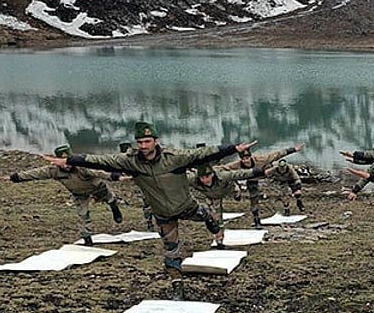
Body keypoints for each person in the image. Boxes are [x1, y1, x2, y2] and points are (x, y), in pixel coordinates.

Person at [44, 121, 256, 300]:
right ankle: (177, 285)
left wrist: (233, 149)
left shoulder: (174, 158)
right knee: (171, 249)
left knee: (203, 215)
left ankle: (209, 219)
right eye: (140, 142)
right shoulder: (131, 161)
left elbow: (203, 154)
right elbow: (101, 161)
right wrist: (70, 160)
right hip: (163, 214)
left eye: (147, 141)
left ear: (155, 141)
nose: (143, 146)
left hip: (186, 205)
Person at [5, 144, 123, 244]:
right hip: (79, 193)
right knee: (83, 215)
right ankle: (87, 239)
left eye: (68, 162)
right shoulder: (53, 170)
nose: (66, 166)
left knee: (111, 199)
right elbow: (36, 173)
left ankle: (114, 208)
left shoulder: (82, 166)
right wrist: (15, 177)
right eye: (63, 163)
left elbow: (100, 172)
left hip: (97, 188)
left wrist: (115, 176)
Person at [220, 142, 305, 227]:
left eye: (247, 158)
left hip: (266, 173)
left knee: (286, 182)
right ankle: (257, 219)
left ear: (250, 157)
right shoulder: (237, 165)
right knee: (254, 198)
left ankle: (295, 200)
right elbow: (224, 168)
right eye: (243, 159)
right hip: (252, 179)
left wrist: (293, 150)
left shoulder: (261, 160)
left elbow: (276, 155)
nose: (245, 161)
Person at [188, 163, 267, 242]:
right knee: (215, 216)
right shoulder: (192, 179)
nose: (205, 180)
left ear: (212, 175)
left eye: (207, 177)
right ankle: (219, 239)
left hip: (228, 189)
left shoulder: (223, 176)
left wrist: (258, 172)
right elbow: (179, 179)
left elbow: (240, 174)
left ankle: (237, 192)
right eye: (202, 178)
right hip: (212, 196)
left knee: (236, 193)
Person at [118, 141, 156, 232]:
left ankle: (152, 223)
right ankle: (150, 224)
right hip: (145, 184)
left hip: (152, 182)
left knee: (153, 204)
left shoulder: (138, 157)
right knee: (148, 204)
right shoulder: (130, 160)